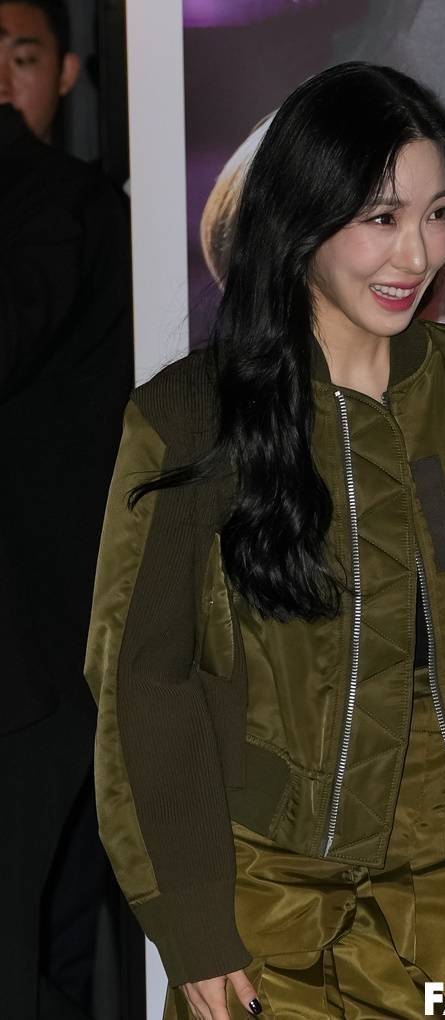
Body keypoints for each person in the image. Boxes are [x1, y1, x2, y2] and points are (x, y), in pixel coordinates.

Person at [85, 63, 445, 1019]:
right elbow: (144, 681)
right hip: (258, 887)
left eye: (437, 214)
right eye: (382, 217)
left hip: (441, 883)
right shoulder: (190, 412)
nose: (416, 253)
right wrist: (193, 919)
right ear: (301, 218)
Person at [0, 1, 133, 1015]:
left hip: (53, 656)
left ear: (70, 72)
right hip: (46, 664)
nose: (0, 83)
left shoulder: (82, 212)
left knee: (55, 932)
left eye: (21, 57)